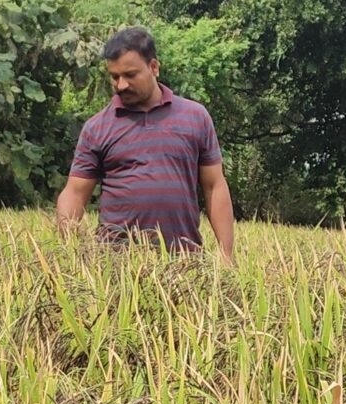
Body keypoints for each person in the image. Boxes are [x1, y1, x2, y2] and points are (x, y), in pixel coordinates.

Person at [55, 27, 234, 264]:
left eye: (130, 75)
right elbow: (75, 192)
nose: (121, 85)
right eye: (114, 76)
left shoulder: (195, 117)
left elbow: (214, 186)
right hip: (115, 263)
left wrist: (226, 255)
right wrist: (68, 241)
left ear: (154, 68)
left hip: (183, 261)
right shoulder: (97, 127)